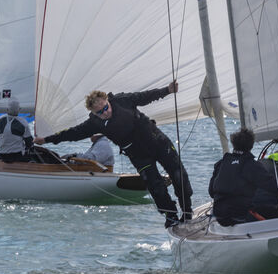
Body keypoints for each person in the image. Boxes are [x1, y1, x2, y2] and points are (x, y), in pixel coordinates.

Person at [34, 81, 192, 227]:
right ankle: (171, 215)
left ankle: (187, 211)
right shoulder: (94, 123)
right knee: (155, 186)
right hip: (138, 155)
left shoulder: (122, 100)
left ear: (107, 100)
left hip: (158, 143)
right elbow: (72, 133)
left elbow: (145, 96)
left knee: (178, 174)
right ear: (94, 113)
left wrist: (167, 90)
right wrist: (46, 139)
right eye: (100, 112)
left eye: (105, 107)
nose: (105, 112)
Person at [208, 127, 278, 225]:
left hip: (219, 215)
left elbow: (211, 192)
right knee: (272, 213)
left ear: (233, 143)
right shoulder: (252, 165)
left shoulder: (221, 163)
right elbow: (276, 187)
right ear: (251, 146)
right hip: (238, 217)